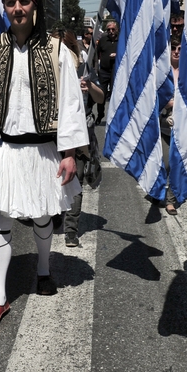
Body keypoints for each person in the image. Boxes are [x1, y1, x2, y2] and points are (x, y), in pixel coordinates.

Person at [0, 0, 88, 327]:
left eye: (24, 1)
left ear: (35, 5)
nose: (17, 8)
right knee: (0, 219)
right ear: (4, 6)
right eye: (10, 2)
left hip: (42, 150)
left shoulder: (56, 50)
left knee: (42, 216)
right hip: (2, 148)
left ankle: (44, 269)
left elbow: (71, 104)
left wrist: (69, 153)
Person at [53, 30, 104, 247]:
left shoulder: (84, 69)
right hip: (52, 134)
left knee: (75, 179)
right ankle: (54, 217)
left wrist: (89, 86)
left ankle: (71, 230)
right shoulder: (48, 70)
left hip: (80, 134)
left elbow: (101, 97)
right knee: (54, 178)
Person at [161, 34, 180, 215]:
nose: (176, 52)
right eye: (173, 49)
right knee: (164, 162)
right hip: (162, 123)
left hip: (181, 126)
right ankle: (157, 189)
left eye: (180, 49)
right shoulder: (162, 73)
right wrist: (165, 103)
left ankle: (170, 200)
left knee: (174, 163)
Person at [95, 20, 119, 125]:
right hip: (104, 72)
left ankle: (115, 117)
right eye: (109, 29)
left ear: (116, 30)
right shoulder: (103, 40)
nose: (111, 31)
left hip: (116, 72)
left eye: (113, 29)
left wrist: (117, 55)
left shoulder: (122, 40)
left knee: (115, 95)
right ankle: (100, 115)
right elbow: (96, 54)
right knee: (101, 95)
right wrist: (96, 68)